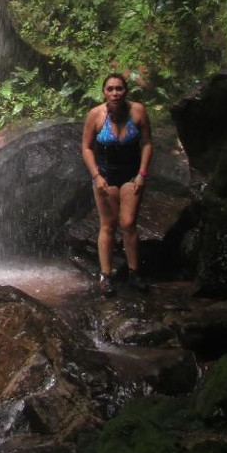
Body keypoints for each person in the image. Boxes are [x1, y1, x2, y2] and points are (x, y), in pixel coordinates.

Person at [81, 73, 153, 296]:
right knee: (108, 225)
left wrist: (142, 174)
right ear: (104, 92)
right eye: (110, 89)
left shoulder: (138, 112)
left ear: (126, 91)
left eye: (119, 89)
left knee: (129, 223)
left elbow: (147, 143)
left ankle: (134, 272)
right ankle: (106, 275)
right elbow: (86, 147)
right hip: (105, 175)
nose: (115, 93)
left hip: (131, 174)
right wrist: (96, 176)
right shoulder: (95, 115)